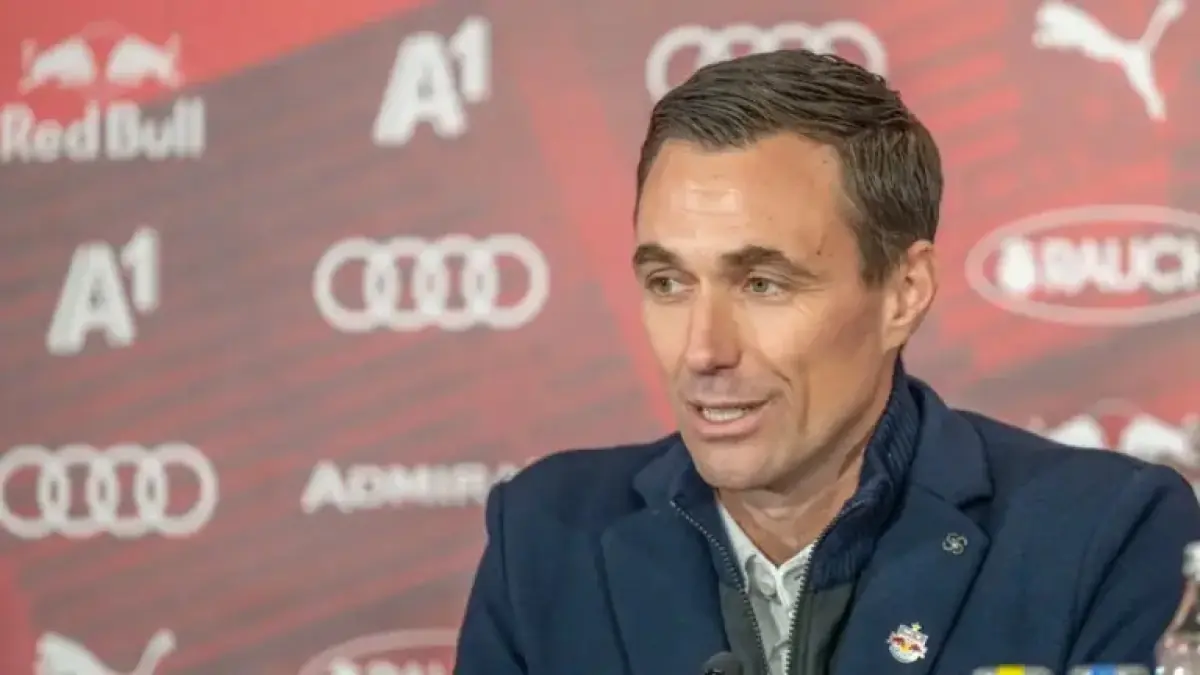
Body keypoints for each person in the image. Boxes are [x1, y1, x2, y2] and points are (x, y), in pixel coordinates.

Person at [453, 49, 1200, 675]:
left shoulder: (1105, 534)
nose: (703, 349)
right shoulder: (546, 535)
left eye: (763, 284)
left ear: (904, 292)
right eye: (668, 283)